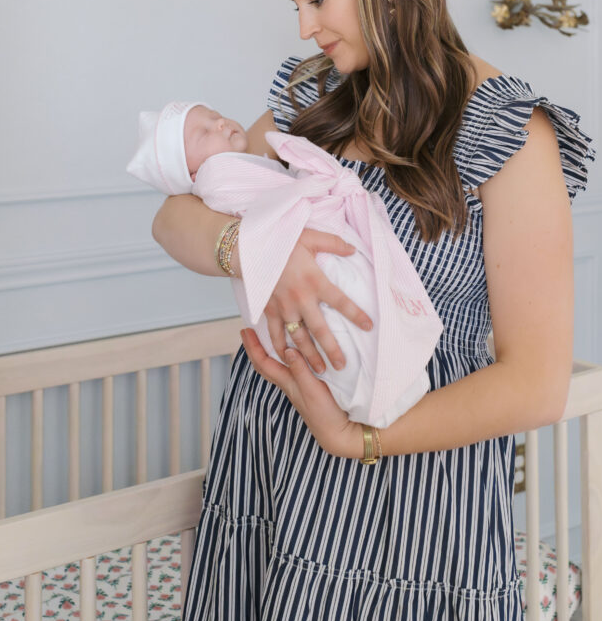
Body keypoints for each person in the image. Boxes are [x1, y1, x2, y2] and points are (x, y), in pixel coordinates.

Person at [152, 0, 597, 621]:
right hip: (275, 466)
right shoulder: (310, 96)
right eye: (294, 4)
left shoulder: (509, 134)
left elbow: (535, 382)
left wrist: (356, 438)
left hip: (414, 490)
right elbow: (175, 216)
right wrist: (253, 251)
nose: (304, 27)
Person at [127, 100, 442, 427]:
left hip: (319, 253)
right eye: (205, 131)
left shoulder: (245, 161)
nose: (220, 124)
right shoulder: (219, 174)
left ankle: (380, 390)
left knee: (351, 317)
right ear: (191, 173)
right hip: (312, 265)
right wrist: (266, 252)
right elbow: (170, 219)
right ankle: (377, 393)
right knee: (340, 322)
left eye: (217, 116)